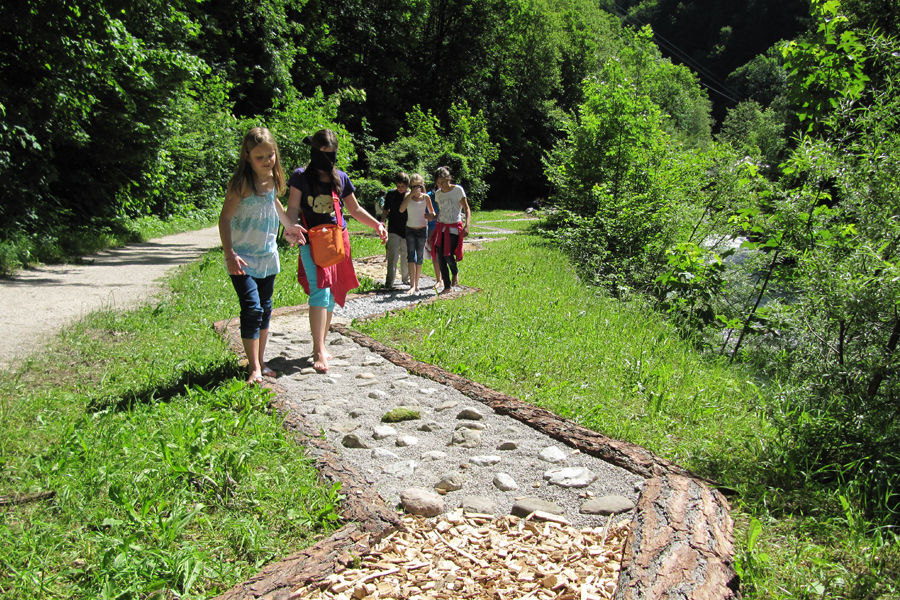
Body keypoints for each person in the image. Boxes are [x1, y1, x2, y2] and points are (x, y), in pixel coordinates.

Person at [286, 129, 388, 373]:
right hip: (310, 240)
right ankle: (318, 349)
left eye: (331, 155)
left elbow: (354, 209)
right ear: (314, 152)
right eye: (323, 154)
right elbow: (292, 208)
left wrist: (377, 224)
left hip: (337, 240)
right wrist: (290, 228)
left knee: (331, 292)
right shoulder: (300, 177)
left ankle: (320, 343)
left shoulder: (340, 178)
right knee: (319, 290)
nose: (327, 160)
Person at [219, 127, 304, 385]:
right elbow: (224, 219)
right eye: (260, 157)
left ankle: (260, 360)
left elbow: (274, 204)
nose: (267, 161)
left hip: (267, 256)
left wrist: (289, 226)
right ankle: (253, 367)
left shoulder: (273, 181)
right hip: (243, 258)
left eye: (271, 155)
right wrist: (229, 254)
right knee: (252, 309)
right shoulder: (241, 184)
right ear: (247, 156)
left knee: (265, 310)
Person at [427, 166, 471, 294]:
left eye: (443, 182)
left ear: (449, 179)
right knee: (441, 257)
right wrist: (432, 217)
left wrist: (467, 225)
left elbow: (467, 209)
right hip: (441, 227)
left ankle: (455, 272)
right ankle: (447, 287)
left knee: (448, 255)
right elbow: (441, 212)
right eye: (438, 183)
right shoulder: (438, 194)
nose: (441, 185)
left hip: (454, 227)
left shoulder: (458, 190)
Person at [399, 173, 435, 294]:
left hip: (422, 229)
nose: (416, 188)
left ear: (422, 185)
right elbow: (401, 209)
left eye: (419, 186)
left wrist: (429, 216)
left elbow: (432, 213)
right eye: (414, 186)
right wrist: (411, 195)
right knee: (411, 257)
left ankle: (417, 284)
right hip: (410, 229)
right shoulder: (407, 196)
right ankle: (412, 285)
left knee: (420, 257)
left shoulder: (426, 197)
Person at [380, 172, 410, 288]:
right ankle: (389, 281)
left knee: (405, 254)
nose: (400, 188)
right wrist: (382, 222)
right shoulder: (391, 194)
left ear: (407, 185)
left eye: (402, 186)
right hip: (393, 227)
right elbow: (385, 209)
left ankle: (406, 278)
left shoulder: (410, 195)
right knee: (393, 254)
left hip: (407, 228)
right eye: (398, 186)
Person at [424, 182, 441, 284]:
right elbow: (425, 213)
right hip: (432, 228)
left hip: (445, 227)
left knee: (446, 254)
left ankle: (448, 278)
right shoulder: (429, 196)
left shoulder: (448, 193)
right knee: (435, 254)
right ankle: (439, 279)